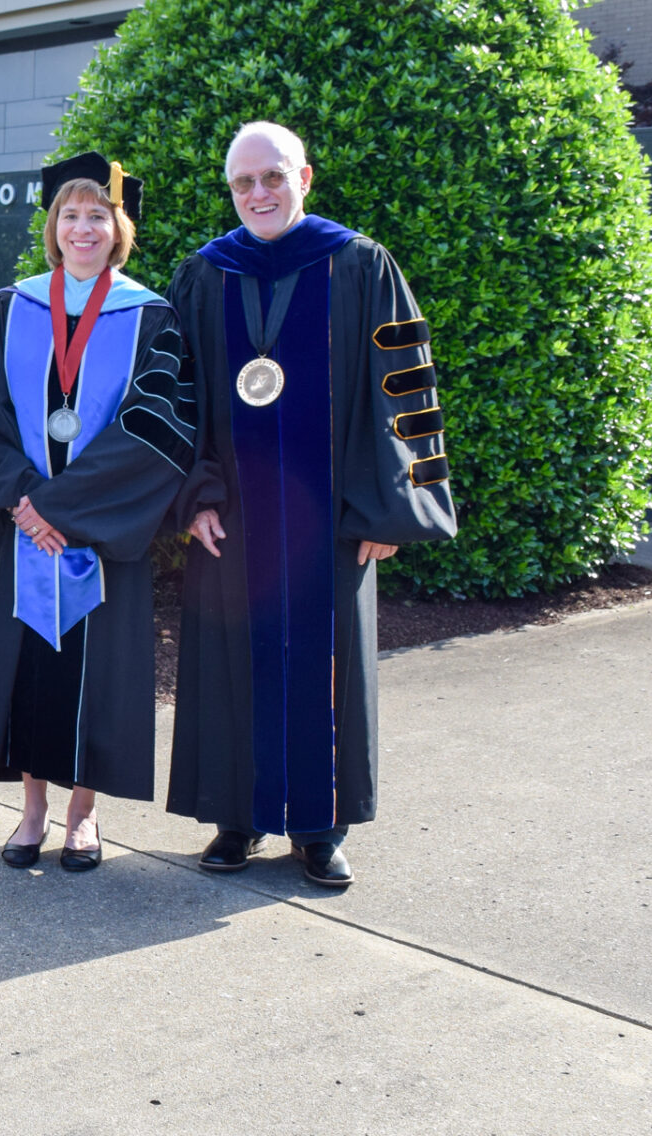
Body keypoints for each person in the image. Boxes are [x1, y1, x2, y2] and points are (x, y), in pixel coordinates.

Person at [166, 121, 456, 888]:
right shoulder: (205, 275)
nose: (257, 193)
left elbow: (405, 383)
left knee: (325, 664)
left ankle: (320, 829)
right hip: (235, 517)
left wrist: (390, 508)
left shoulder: (359, 265)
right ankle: (236, 819)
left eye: (272, 177)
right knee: (234, 657)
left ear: (305, 178)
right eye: (242, 183)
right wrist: (195, 496)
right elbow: (173, 396)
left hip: (329, 516)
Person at [0, 153, 196, 872]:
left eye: (99, 214)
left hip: (96, 531)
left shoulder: (152, 316)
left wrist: (54, 507)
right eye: (70, 214)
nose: (82, 227)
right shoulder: (12, 307)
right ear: (52, 226)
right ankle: (30, 812)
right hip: (25, 530)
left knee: (101, 673)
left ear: (119, 227)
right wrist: (22, 502)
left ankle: (82, 818)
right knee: (31, 665)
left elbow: (156, 431)